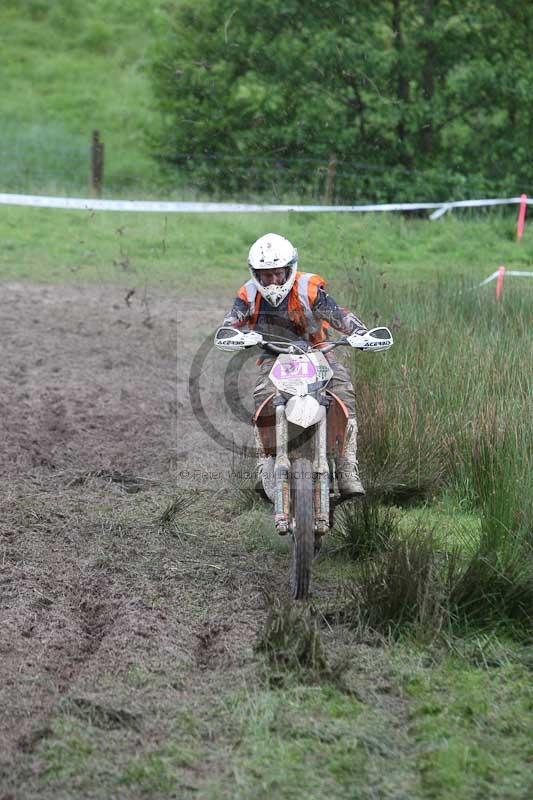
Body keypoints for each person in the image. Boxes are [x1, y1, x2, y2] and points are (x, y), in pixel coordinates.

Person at [220, 232, 368, 497]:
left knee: (343, 390)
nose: (273, 280)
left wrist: (358, 332)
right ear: (256, 273)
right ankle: (265, 465)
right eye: (266, 274)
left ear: (289, 269)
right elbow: (231, 321)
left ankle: (347, 466)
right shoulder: (248, 293)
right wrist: (232, 335)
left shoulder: (307, 288)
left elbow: (338, 315)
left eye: (278, 273)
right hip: (275, 357)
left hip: (319, 352)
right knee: (263, 396)